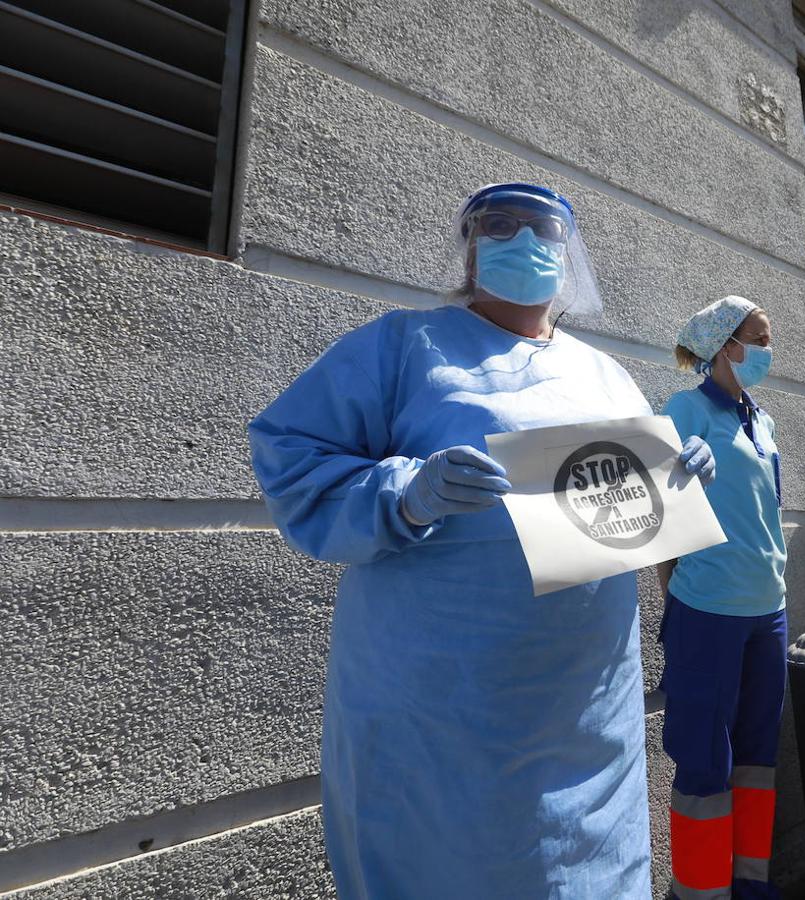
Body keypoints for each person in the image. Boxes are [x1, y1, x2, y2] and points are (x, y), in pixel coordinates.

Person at [249, 182, 715, 898]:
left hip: (585, 709)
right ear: (469, 247)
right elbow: (290, 457)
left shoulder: (606, 374)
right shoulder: (405, 348)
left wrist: (678, 478)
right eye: (501, 225)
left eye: (544, 229)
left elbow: (634, 512)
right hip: (442, 710)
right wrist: (406, 494)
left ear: (570, 257)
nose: (524, 241)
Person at [658, 296, 787, 900]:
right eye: (759, 337)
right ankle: (701, 892)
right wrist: (675, 598)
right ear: (725, 345)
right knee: (705, 759)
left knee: (759, 754)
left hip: (769, 610)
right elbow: (658, 513)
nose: (768, 348)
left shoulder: (762, 419)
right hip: (707, 611)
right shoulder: (684, 408)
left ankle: (750, 885)